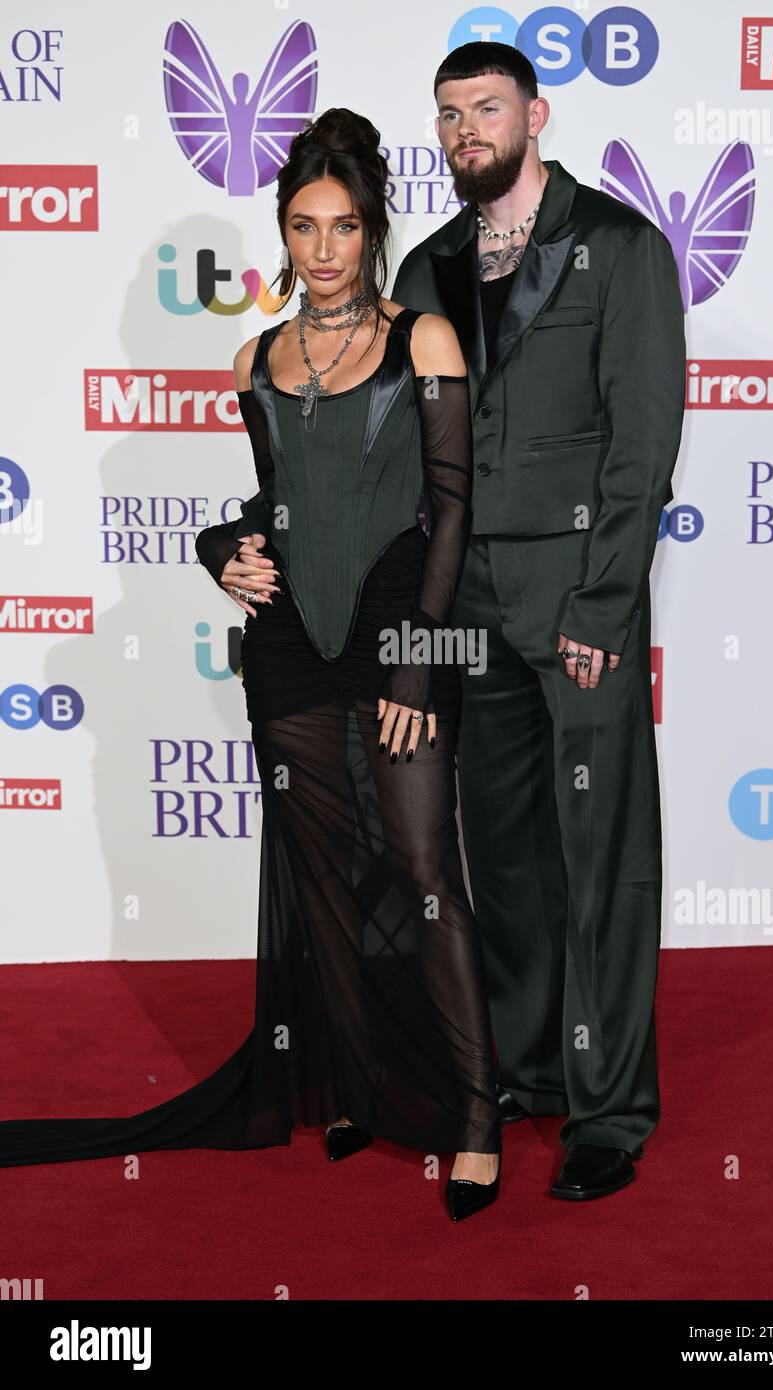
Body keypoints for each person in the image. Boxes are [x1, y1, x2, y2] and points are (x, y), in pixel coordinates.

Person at [0, 109, 501, 1224]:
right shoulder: (253, 359)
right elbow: (273, 509)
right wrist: (216, 546)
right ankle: (354, 1083)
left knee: (423, 870)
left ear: (373, 230)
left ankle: (474, 1116)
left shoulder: (423, 338)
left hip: (393, 628)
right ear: (280, 232)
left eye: (343, 226)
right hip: (284, 650)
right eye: (302, 226)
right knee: (320, 877)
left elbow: (453, 510)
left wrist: (419, 661)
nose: (323, 248)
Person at [391, 42, 686, 1201]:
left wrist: (603, 604)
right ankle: (527, 1067)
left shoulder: (617, 246)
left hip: (575, 601)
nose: (468, 128)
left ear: (535, 114)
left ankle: (607, 1111)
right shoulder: (427, 266)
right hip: (465, 600)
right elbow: (392, 453)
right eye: (449, 114)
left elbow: (641, 442)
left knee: (601, 856)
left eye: (488, 108)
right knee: (504, 851)